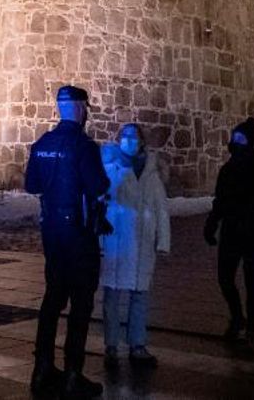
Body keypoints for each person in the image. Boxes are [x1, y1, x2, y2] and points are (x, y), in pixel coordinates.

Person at [25, 85, 110, 399]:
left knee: (52, 299)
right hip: (78, 233)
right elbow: (99, 186)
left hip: (52, 233)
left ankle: (42, 369)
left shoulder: (42, 144)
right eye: (85, 106)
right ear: (79, 108)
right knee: (81, 304)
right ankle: (73, 373)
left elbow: (32, 185)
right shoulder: (83, 146)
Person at [99, 123, 170, 370]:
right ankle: (111, 344)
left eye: (134, 136)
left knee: (140, 293)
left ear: (141, 141)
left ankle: (137, 344)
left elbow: (161, 207)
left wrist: (163, 241)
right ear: (119, 140)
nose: (130, 140)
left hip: (142, 241)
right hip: (116, 238)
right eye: (126, 136)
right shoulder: (110, 168)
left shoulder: (151, 171)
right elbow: (100, 201)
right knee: (112, 294)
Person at [204, 117, 254, 348]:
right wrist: (212, 223)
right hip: (231, 232)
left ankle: (252, 330)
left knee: (252, 282)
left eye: (240, 139)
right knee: (225, 279)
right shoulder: (228, 169)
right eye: (234, 138)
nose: (235, 143)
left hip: (253, 232)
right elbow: (221, 200)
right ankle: (237, 317)